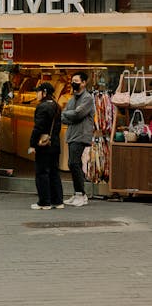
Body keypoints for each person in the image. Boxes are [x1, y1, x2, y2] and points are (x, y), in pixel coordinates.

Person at [61, 71, 95, 207]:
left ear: (84, 82)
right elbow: (64, 116)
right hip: (72, 135)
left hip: (81, 136)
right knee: (73, 164)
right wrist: (70, 114)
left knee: (74, 163)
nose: (73, 83)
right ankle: (79, 193)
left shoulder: (88, 98)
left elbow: (78, 114)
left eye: (76, 80)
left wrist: (68, 114)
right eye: (72, 80)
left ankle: (80, 194)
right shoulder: (72, 98)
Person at [27, 83, 64, 210]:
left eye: (37, 92)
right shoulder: (56, 105)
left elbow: (38, 128)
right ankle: (57, 201)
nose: (36, 95)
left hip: (44, 145)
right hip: (55, 144)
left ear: (44, 92)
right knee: (54, 172)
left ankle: (44, 202)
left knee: (42, 173)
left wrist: (32, 144)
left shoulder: (42, 107)